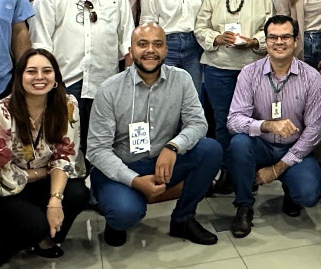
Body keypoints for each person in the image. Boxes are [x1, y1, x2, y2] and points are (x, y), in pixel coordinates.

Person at [86, 23, 224, 248]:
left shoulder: (181, 79)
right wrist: (135, 181)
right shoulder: (109, 90)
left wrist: (173, 147)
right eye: (142, 44)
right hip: (122, 166)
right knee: (124, 212)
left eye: (157, 44)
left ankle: (183, 219)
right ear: (131, 51)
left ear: (166, 50)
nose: (150, 50)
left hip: (162, 162)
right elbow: (97, 150)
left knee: (210, 150)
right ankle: (116, 219)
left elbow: (198, 123)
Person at [0, 48, 90, 263]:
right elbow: (0, 172)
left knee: (78, 194)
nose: (40, 77)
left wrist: (55, 201)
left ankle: (42, 236)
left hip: (42, 179)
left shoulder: (68, 105)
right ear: (19, 77)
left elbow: (65, 156)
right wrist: (42, 172)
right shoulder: (0, 113)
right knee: (1, 254)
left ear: (56, 77)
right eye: (31, 71)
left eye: (47, 71)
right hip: (6, 188)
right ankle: (25, 235)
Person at [30, 0, 133, 149]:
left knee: (101, 145)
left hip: (105, 82)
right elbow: (41, 42)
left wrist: (128, 84)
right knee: (64, 144)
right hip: (64, 82)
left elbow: (127, 40)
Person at [225, 14, 321, 236]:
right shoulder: (249, 73)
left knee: (309, 194)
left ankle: (291, 192)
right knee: (239, 144)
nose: (279, 42)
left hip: (295, 148)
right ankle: (244, 206)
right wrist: (267, 126)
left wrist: (277, 169)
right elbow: (233, 121)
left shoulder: (311, 77)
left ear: (296, 40)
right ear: (266, 40)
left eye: (285, 37)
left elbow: (315, 131)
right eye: (273, 37)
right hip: (260, 145)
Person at [194, 0, 272, 137]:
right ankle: (224, 156)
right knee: (222, 120)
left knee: (252, 119)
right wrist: (217, 38)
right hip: (218, 68)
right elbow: (200, 27)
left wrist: (254, 42)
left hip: (252, 67)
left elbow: (270, 28)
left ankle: (245, 155)